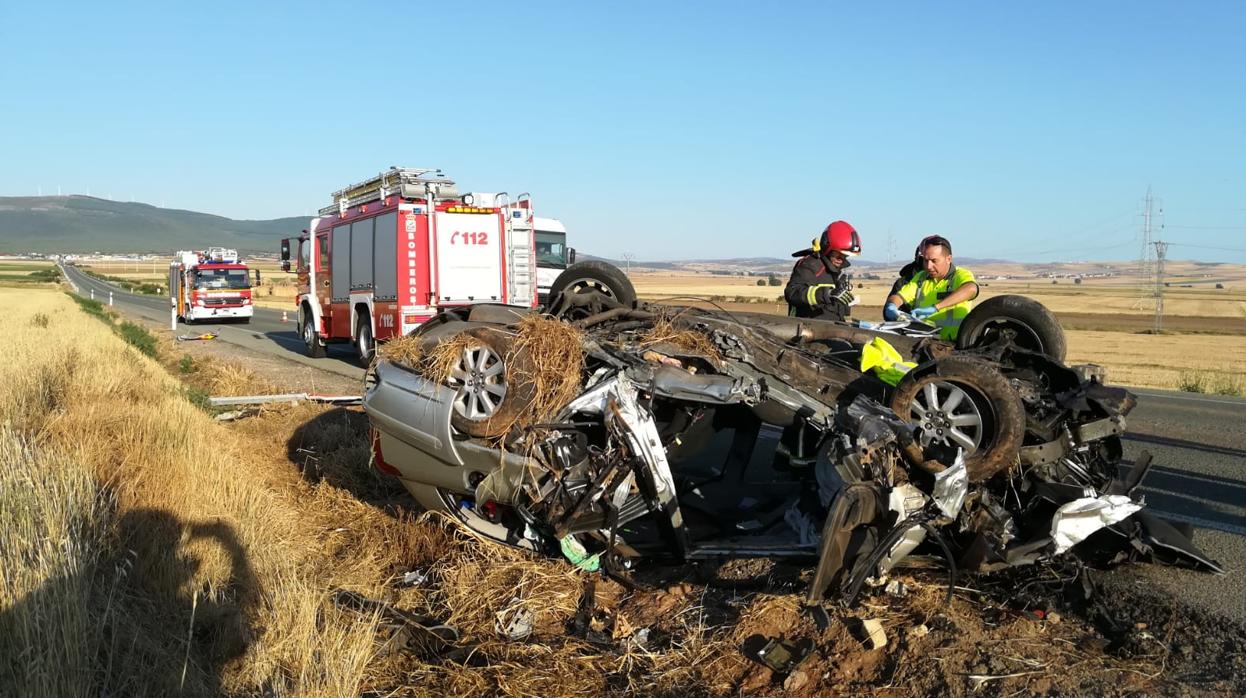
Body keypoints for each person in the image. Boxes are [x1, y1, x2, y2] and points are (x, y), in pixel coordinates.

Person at [885, 235, 979, 340]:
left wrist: (936, 308)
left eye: (934, 261)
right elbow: (900, 296)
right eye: (926, 261)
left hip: (954, 344)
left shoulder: (960, 275)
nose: (929, 266)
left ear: (948, 259)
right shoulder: (920, 277)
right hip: (924, 342)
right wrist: (892, 306)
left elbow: (971, 289)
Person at [784, 220, 861, 322]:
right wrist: (827, 293)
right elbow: (792, 293)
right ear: (827, 246)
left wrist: (846, 303)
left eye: (845, 256)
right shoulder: (810, 265)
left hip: (834, 327)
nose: (841, 259)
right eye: (838, 254)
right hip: (808, 328)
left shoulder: (838, 271)